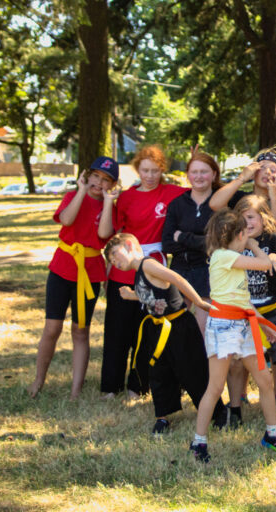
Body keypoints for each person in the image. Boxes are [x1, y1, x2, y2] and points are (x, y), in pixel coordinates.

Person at [190, 208, 276, 463]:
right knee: (215, 387)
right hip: (224, 327)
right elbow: (264, 264)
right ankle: (199, 443)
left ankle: (273, 435)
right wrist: (253, 244)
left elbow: (241, 297)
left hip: (244, 324)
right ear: (237, 235)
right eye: (244, 234)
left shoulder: (230, 257)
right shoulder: (224, 256)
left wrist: (264, 326)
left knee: (265, 381)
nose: (247, 240)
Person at [104, 233, 227, 434]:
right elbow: (152, 295)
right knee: (159, 373)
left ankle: (218, 413)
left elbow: (176, 278)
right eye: (111, 261)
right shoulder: (139, 272)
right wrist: (132, 296)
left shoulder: (147, 265)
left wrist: (198, 302)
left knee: (193, 372)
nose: (114, 261)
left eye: (115, 255)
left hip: (179, 327)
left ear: (129, 245)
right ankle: (163, 417)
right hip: (158, 328)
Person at [98, 145, 187, 399]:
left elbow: (202, 193)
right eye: (145, 170)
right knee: (117, 330)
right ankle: (109, 386)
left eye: (155, 171)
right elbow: (109, 234)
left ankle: (138, 385)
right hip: (123, 271)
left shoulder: (172, 193)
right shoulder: (126, 197)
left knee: (146, 330)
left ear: (162, 170)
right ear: (138, 169)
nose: (150, 176)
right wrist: (108, 201)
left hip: (153, 270)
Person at [27, 157, 119, 399]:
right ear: (87, 176)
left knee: (80, 330)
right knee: (52, 328)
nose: (99, 182)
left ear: (113, 184)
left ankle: (75, 390)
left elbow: (103, 234)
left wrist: (108, 203)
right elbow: (66, 220)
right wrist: (80, 191)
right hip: (63, 266)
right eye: (96, 176)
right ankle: (38, 380)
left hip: (89, 272)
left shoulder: (110, 208)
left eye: (106, 179)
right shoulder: (72, 197)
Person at [162, 152, 222, 338]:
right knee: (177, 330)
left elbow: (217, 245)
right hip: (180, 270)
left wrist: (183, 237)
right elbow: (168, 244)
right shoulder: (177, 205)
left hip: (208, 271)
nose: (198, 176)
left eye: (204, 172)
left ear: (213, 174)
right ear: (187, 174)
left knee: (204, 330)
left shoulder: (220, 204)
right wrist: (201, 241)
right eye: (194, 171)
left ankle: (204, 367)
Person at [209, 147, 276, 239]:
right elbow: (215, 204)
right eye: (262, 168)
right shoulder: (240, 198)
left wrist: (274, 197)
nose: (267, 172)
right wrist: (242, 178)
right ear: (253, 173)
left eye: (273, 170)